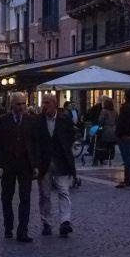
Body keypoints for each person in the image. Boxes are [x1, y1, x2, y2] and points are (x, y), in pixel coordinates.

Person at [31, 93, 76, 237]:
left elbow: (70, 137)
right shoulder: (37, 121)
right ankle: (46, 222)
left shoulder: (64, 119)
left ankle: (65, 221)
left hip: (61, 161)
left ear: (55, 104)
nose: (44, 106)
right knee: (45, 194)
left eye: (47, 103)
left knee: (63, 191)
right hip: (44, 163)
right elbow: (35, 142)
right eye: (43, 103)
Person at [0, 92, 35, 242]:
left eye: (24, 103)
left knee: (25, 198)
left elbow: (34, 144)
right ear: (12, 104)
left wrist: (35, 164)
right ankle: (8, 227)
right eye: (18, 104)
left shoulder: (30, 121)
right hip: (8, 164)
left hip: (25, 164)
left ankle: (22, 230)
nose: (22, 107)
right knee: (7, 197)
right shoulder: (3, 120)